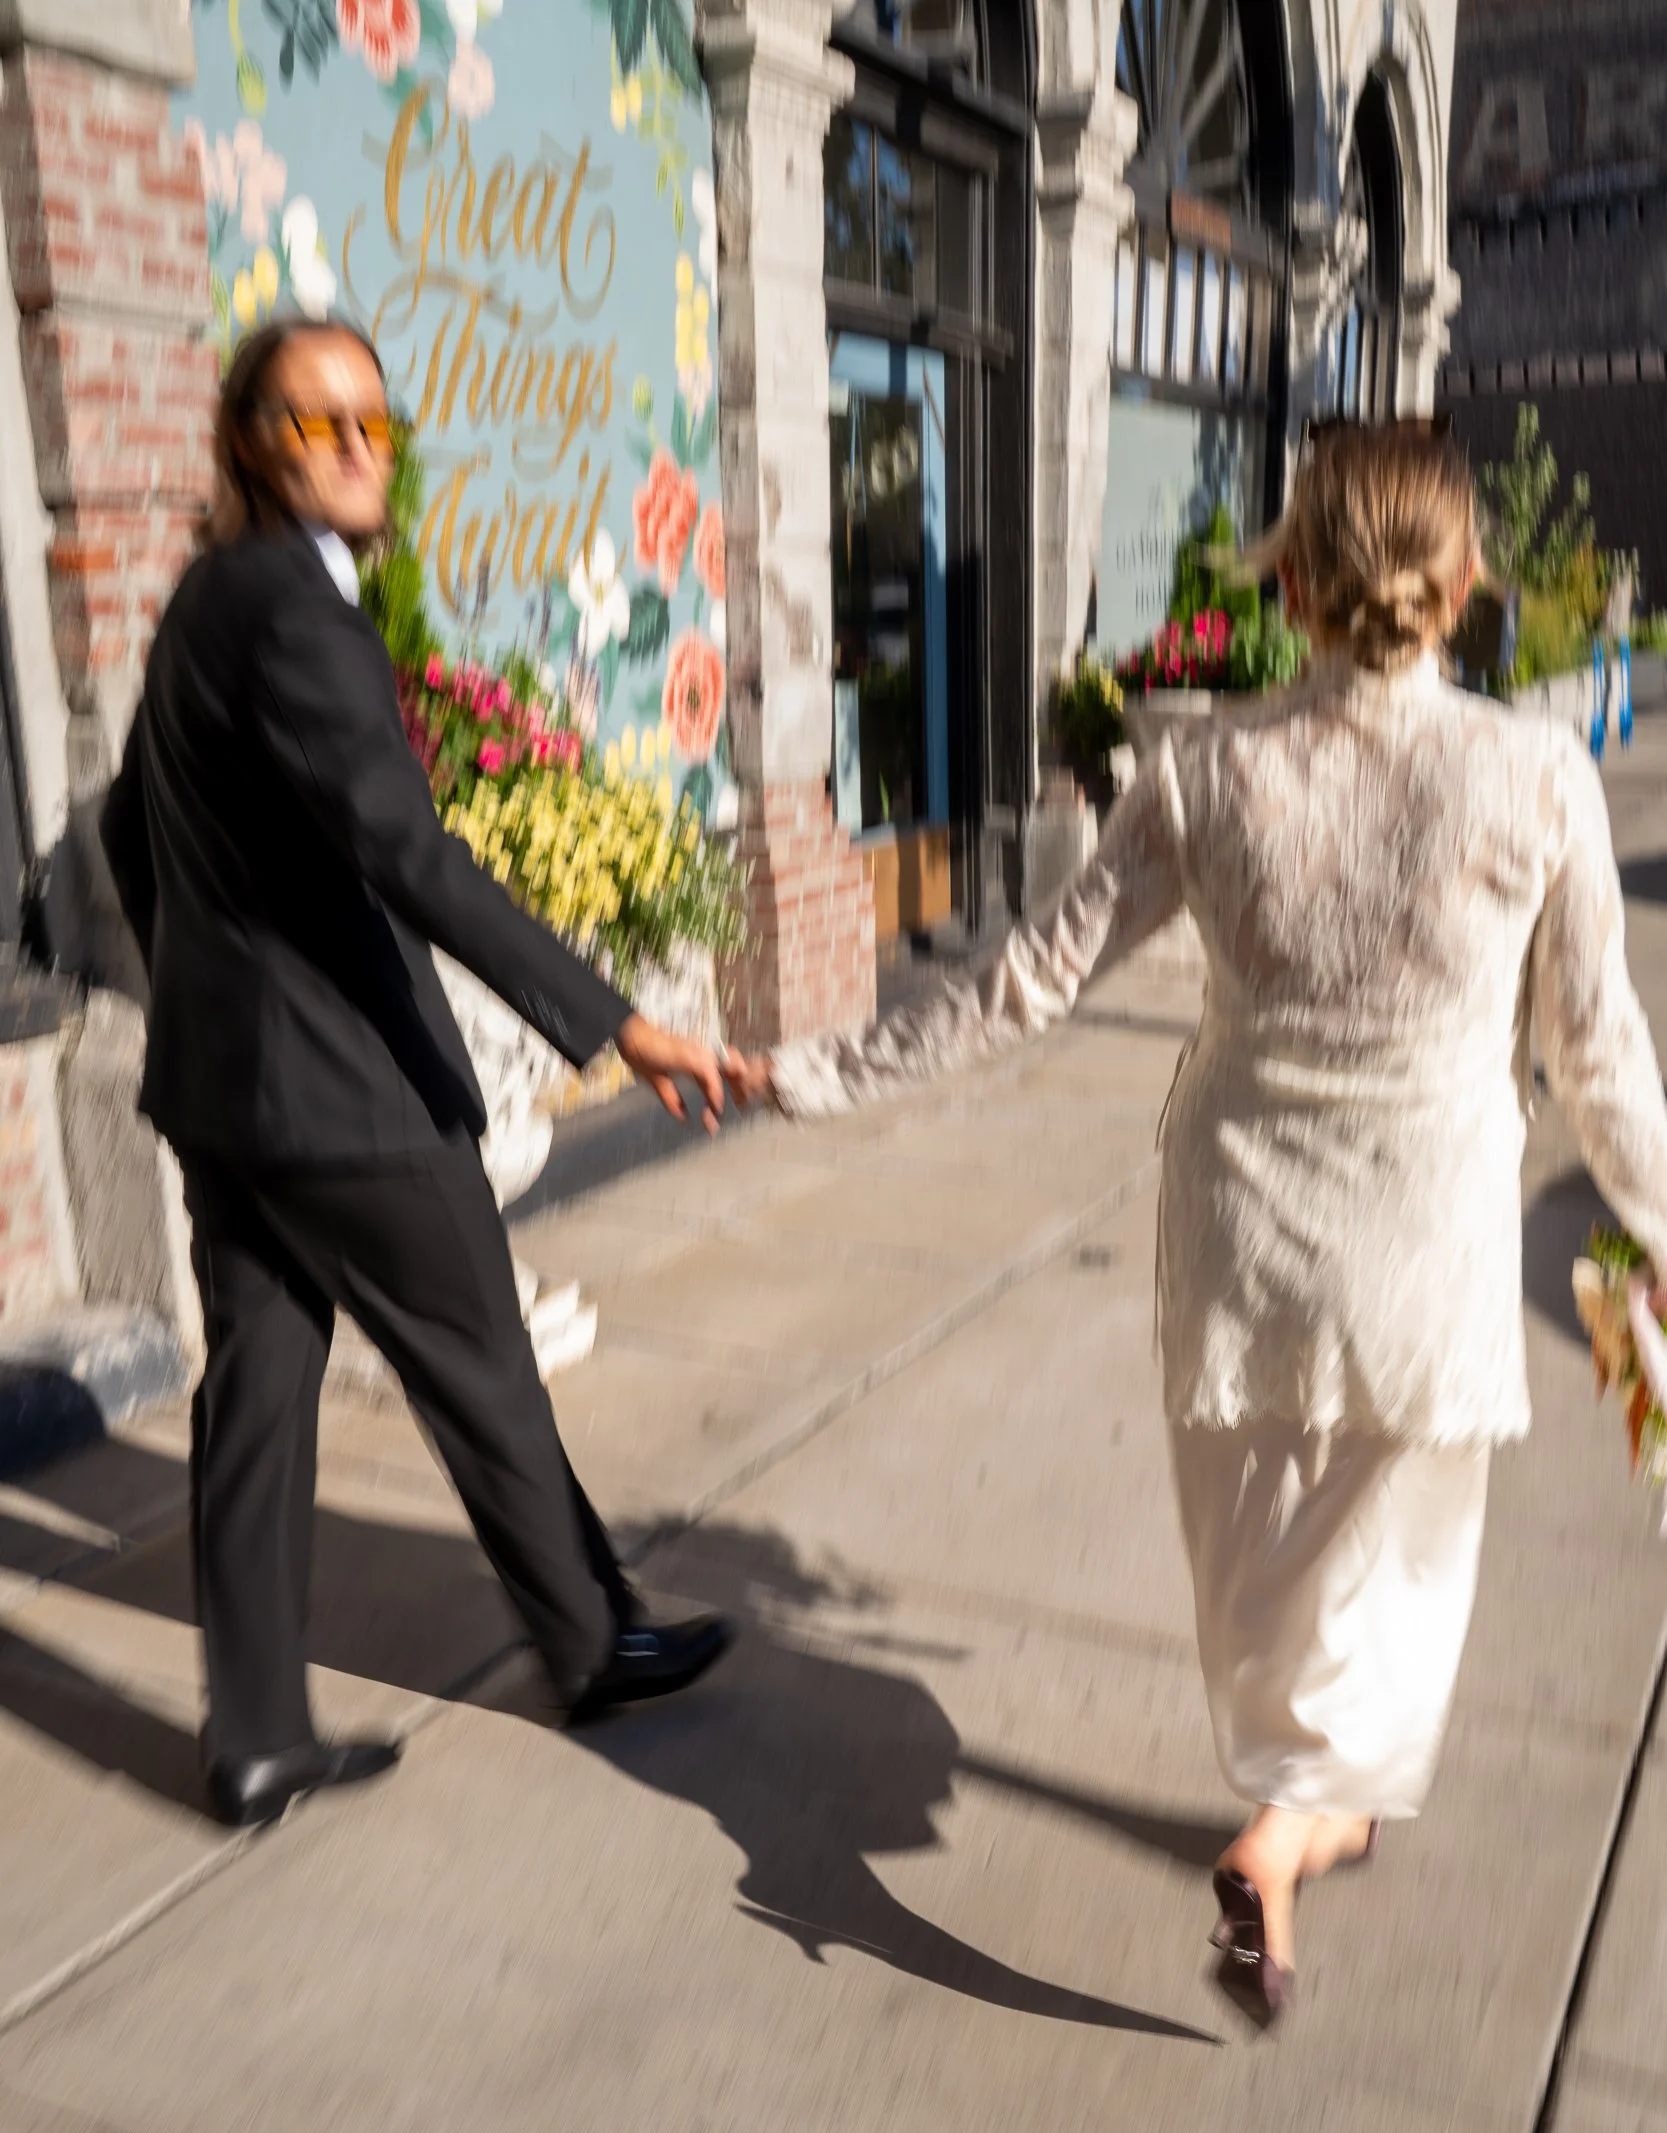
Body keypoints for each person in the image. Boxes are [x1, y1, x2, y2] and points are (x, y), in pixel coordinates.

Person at [728, 421, 1667, 2021]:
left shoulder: (1206, 766)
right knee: (1394, 1560)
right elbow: (1596, 1049)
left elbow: (1022, 981)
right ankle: (1295, 1822)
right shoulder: (1532, 773)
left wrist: (795, 1072)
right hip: (1424, 1230)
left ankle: (1302, 1798)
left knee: (1251, 1554)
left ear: (1287, 582)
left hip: (1242, 1220)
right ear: (1459, 589)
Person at [102, 315, 740, 1829]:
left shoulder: (204, 599)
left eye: (370, 424)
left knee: (256, 1398)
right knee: (482, 1368)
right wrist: (617, 1018)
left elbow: (136, 829)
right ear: (253, 441)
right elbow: (403, 847)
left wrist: (213, 978)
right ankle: (589, 1644)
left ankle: (253, 1737)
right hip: (346, 1099)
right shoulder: (299, 611)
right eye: (313, 422)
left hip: (226, 1094)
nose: (350, 448)